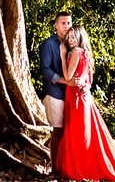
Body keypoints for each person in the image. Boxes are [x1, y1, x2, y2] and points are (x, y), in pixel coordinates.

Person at [54, 25, 115, 182]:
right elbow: (88, 81)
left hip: (76, 97)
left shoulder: (76, 52)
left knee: (75, 134)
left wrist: (63, 57)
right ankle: (84, 167)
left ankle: (78, 169)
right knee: (83, 133)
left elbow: (68, 76)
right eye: (69, 37)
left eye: (73, 37)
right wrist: (81, 84)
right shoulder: (86, 54)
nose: (70, 40)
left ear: (80, 37)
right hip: (84, 98)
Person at [39, 11, 73, 172]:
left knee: (70, 130)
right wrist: (65, 81)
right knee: (58, 130)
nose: (66, 26)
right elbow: (45, 70)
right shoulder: (48, 44)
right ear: (55, 25)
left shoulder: (73, 43)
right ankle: (55, 168)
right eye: (63, 23)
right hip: (54, 93)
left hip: (71, 94)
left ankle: (67, 166)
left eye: (69, 23)